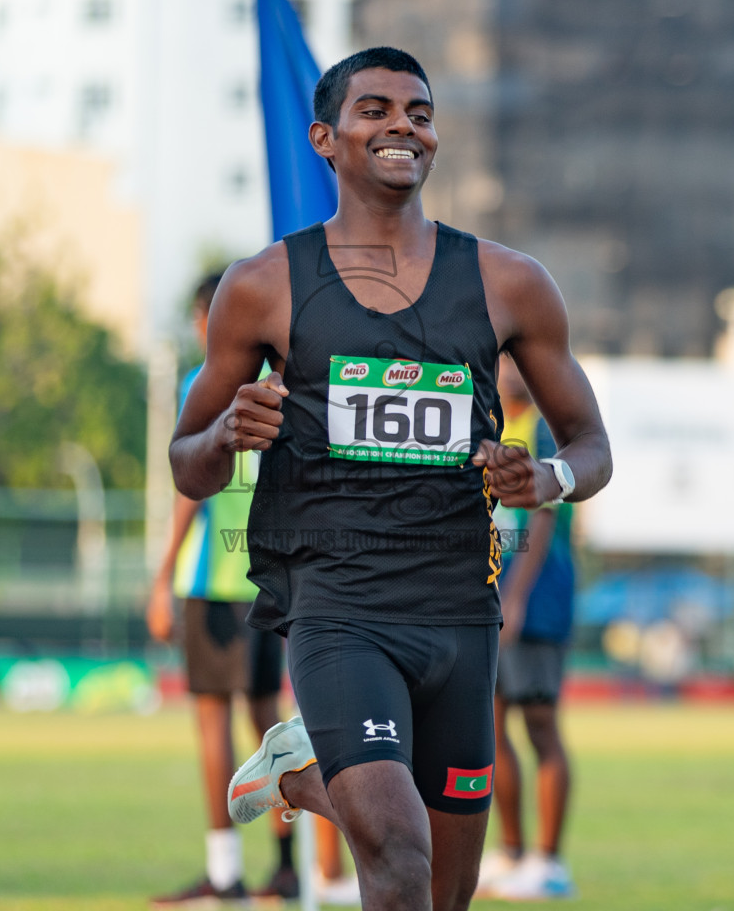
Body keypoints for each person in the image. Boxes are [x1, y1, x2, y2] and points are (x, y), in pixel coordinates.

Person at [169, 47, 612, 911]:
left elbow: (593, 443)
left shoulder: (509, 283)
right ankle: (318, 774)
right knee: (398, 852)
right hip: (333, 603)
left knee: (445, 891)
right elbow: (188, 466)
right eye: (375, 109)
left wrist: (547, 478)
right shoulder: (261, 286)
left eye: (419, 110)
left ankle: (302, 777)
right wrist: (226, 433)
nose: (403, 125)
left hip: (458, 609)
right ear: (325, 139)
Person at [146, 273, 298, 905]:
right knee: (268, 722)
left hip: (213, 578)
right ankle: (290, 866)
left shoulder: (204, 384)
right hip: (269, 578)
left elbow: (194, 488)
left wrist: (161, 577)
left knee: (213, 723)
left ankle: (225, 874)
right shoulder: (286, 388)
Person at [475, 354, 578, 900]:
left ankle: (551, 861)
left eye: (515, 357)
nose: (506, 368)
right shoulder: (486, 421)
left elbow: (543, 513)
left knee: (540, 724)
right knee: (491, 730)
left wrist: (513, 598)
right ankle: (512, 852)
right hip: (489, 597)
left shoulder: (541, 427)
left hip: (537, 601)